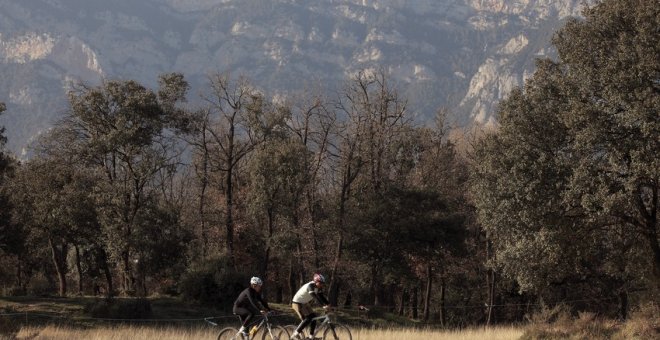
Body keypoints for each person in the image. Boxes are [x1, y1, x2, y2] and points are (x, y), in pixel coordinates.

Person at [291, 273, 331, 340]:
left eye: (322, 283)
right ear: (316, 281)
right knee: (308, 318)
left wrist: (329, 304)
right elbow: (315, 297)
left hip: (304, 303)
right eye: (320, 283)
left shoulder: (318, 287)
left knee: (314, 317)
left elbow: (321, 297)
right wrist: (323, 306)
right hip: (297, 303)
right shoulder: (310, 286)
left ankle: (311, 337)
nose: (322, 285)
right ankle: (295, 334)